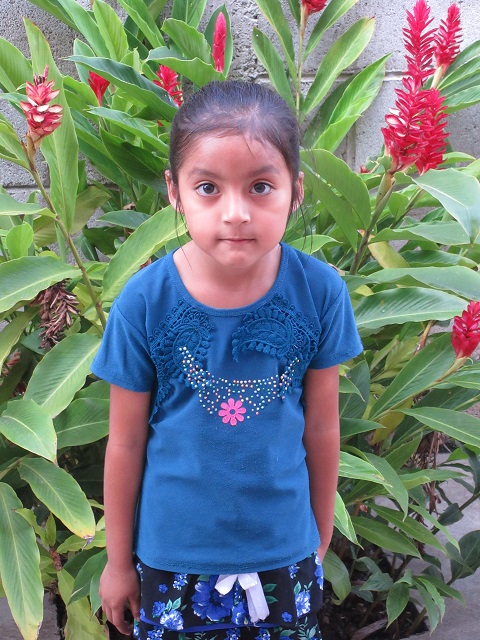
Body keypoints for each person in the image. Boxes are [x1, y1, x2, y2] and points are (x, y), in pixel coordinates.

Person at [91, 80, 363, 640]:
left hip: (284, 552)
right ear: (175, 192)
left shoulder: (319, 293)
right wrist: (118, 563)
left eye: (261, 186)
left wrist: (319, 535)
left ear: (295, 190)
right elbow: (125, 442)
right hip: (172, 557)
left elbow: (321, 426)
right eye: (208, 188)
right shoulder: (144, 302)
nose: (236, 213)